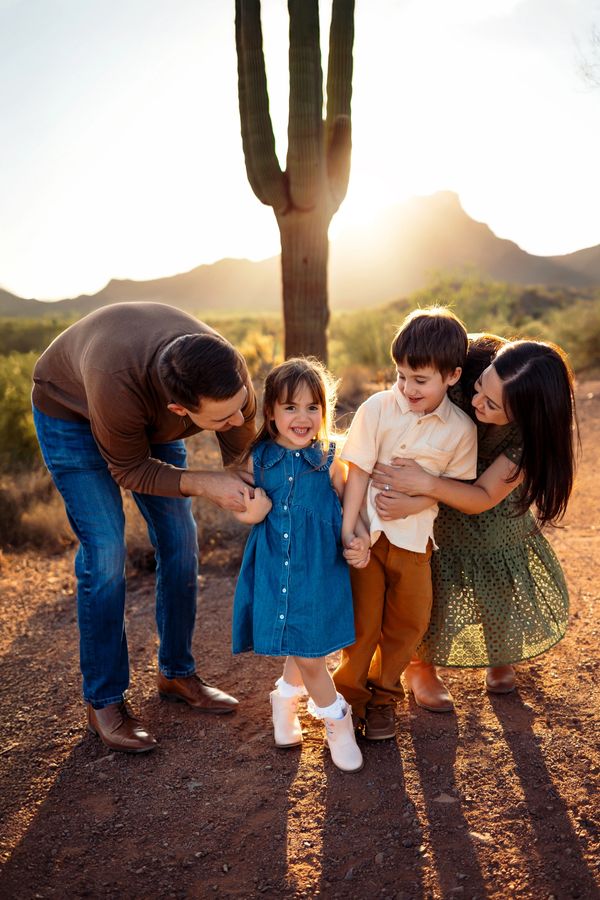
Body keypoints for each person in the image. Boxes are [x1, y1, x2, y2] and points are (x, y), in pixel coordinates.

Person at [32, 301, 258, 753]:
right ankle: (104, 703)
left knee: (181, 540)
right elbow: (131, 467)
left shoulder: (227, 376)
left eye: (238, 409)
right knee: (106, 551)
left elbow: (241, 454)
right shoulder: (118, 385)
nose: (236, 420)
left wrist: (250, 489)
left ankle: (176, 673)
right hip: (70, 413)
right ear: (179, 408)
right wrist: (204, 483)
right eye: (221, 418)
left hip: (145, 422)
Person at [371, 334, 578, 711]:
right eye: (481, 387)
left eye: (493, 405)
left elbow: (482, 496)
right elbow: (414, 384)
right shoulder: (467, 359)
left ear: (526, 414)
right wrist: (418, 492)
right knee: (430, 591)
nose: (478, 402)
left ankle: (501, 653)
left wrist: (426, 486)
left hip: (490, 511)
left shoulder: (527, 440)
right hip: (439, 507)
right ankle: (420, 667)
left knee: (496, 585)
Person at [333, 308, 478, 740]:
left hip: (416, 544)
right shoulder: (378, 408)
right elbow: (356, 471)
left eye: (420, 380)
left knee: (408, 624)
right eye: (401, 376)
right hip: (369, 539)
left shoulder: (461, 430)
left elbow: (452, 489)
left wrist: (415, 500)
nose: (407, 388)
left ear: (451, 376)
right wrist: (350, 530)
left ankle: (383, 699)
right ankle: (349, 700)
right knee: (363, 626)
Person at [231, 357, 367, 773]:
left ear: (324, 412)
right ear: (271, 411)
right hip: (276, 566)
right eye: (291, 407)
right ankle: (336, 719)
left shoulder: (329, 460)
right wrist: (254, 512)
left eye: (313, 407)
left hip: (319, 568)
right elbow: (241, 509)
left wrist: (359, 539)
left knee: (307, 645)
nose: (303, 417)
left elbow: (351, 510)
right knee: (306, 649)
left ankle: (287, 701)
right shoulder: (258, 460)